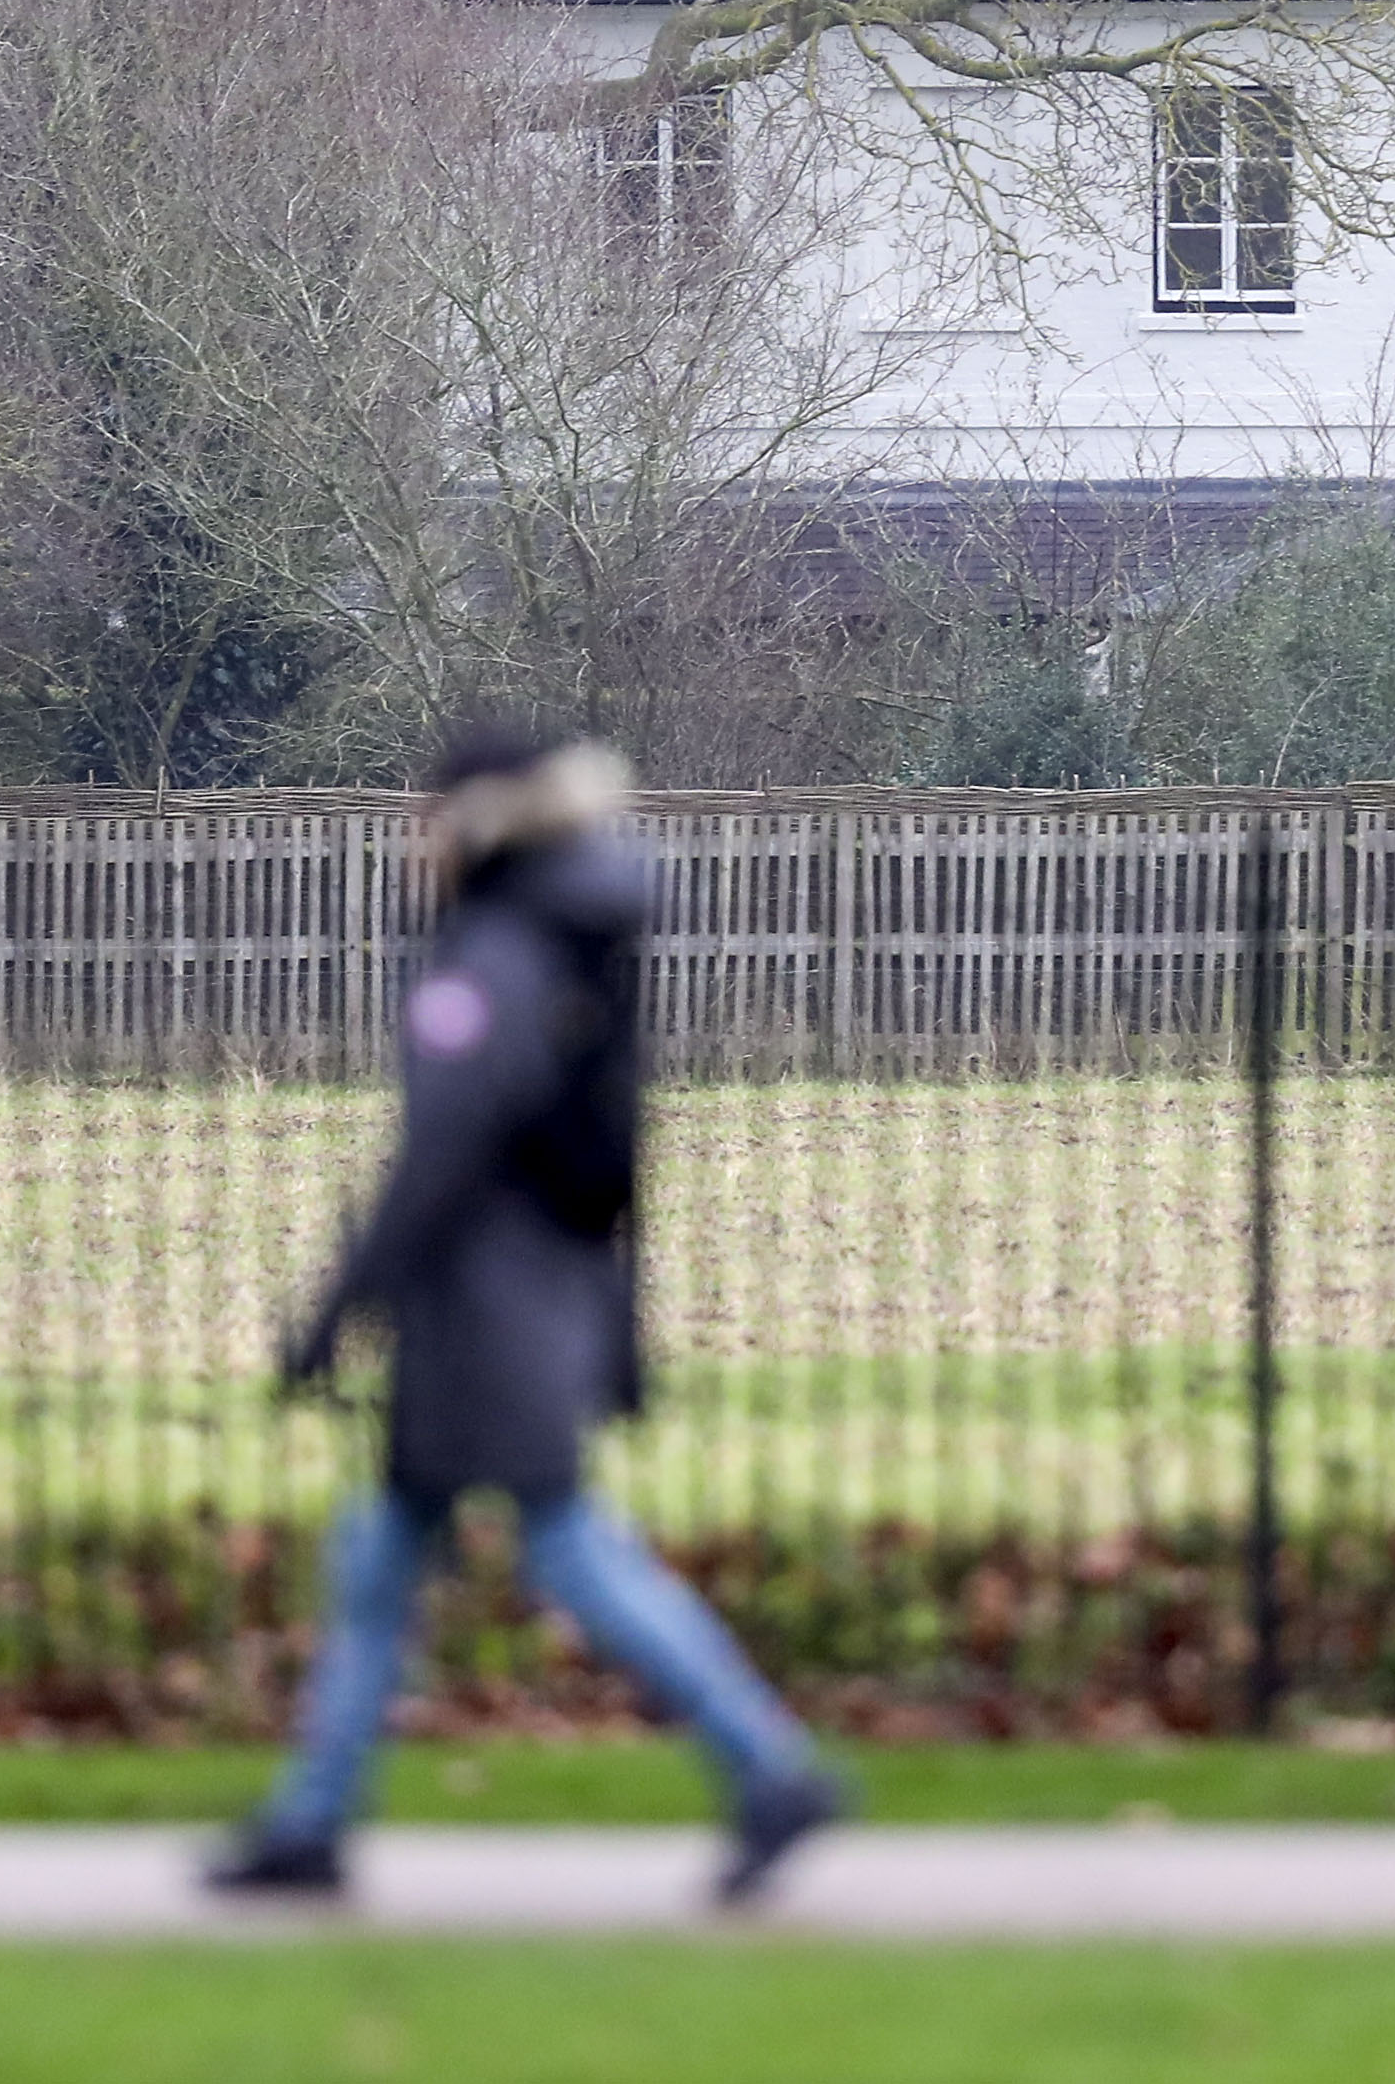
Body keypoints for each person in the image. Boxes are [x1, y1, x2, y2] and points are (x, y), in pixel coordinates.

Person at [212, 719, 846, 1906]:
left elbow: (442, 1147)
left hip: (480, 1311)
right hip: (528, 1294)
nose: (407, 841)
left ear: (470, 821)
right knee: (381, 1555)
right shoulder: (565, 938)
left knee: (562, 1545)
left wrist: (338, 1305)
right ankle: (308, 1820)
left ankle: (768, 1769)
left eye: (419, 817)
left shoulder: (494, 951)